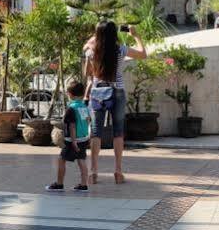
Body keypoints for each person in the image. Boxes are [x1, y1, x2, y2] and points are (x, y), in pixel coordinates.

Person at [84, 21, 147, 185]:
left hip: (97, 92)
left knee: (96, 132)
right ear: (114, 35)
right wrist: (136, 35)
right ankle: (118, 172)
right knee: (118, 132)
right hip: (117, 91)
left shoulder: (91, 52)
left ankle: (93, 172)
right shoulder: (120, 49)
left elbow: (87, 73)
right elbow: (143, 54)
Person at [46, 80, 91, 192]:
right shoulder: (84, 107)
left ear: (70, 94)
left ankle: (59, 184)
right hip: (84, 138)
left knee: (61, 160)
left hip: (72, 140)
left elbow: (72, 126)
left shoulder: (71, 109)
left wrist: (74, 141)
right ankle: (84, 184)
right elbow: (87, 121)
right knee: (81, 160)